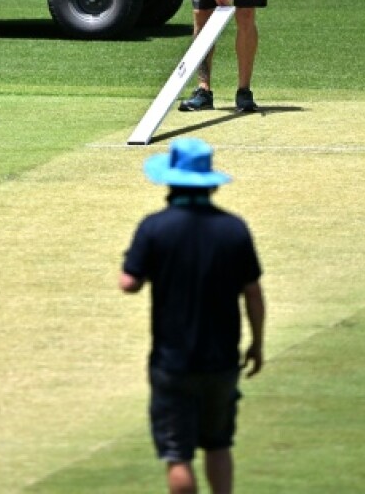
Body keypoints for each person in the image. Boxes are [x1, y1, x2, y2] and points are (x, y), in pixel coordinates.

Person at [120, 138, 266, 494]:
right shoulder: (233, 229)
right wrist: (257, 343)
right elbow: (252, 292)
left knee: (177, 453)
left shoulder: (154, 227)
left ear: (170, 180)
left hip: (172, 360)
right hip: (221, 359)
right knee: (218, 444)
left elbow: (129, 283)